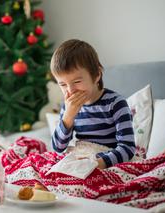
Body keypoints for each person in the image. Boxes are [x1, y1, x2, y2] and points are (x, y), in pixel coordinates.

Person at [50, 39, 135, 169]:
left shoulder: (116, 103)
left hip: (106, 163)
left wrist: (96, 164)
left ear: (96, 75)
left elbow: (128, 148)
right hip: (81, 160)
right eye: (63, 84)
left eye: (77, 81)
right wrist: (68, 117)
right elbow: (58, 147)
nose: (70, 90)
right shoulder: (68, 107)